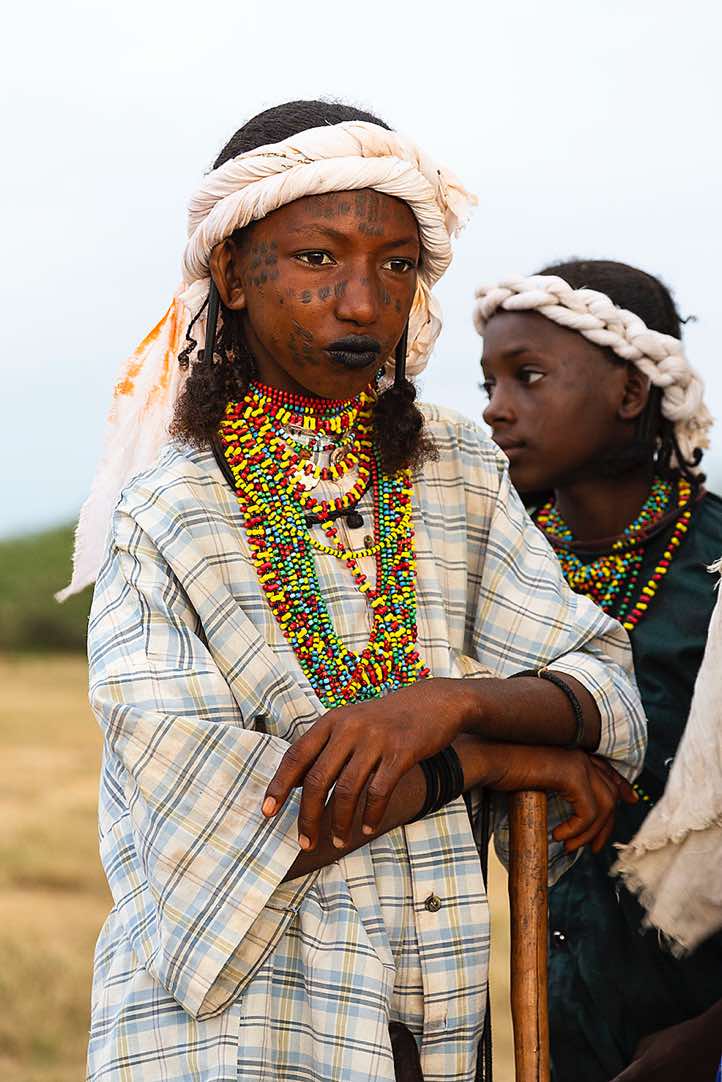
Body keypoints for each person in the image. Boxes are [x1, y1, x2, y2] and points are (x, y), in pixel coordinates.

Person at [72, 106, 645, 1082]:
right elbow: (224, 815)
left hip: (433, 1018)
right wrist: (494, 751)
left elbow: (601, 684)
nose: (360, 304)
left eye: (391, 265)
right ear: (231, 275)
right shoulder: (168, 511)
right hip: (236, 1043)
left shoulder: (454, 466)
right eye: (314, 259)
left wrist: (445, 700)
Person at [475, 259, 720, 1082]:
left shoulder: (714, 569)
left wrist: (708, 1037)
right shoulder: (499, 572)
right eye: (489, 381)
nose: (496, 409)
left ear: (629, 393)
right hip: (562, 1027)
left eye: (529, 376)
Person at [613, 557, 722, 1081]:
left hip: (689, 985)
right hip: (573, 974)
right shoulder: (517, 548)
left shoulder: (707, 550)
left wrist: (710, 1032)